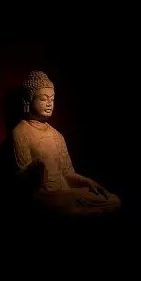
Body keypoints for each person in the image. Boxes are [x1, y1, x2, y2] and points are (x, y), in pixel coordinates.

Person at [12, 70, 121, 217]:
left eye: (52, 99)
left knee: (114, 200)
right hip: (44, 196)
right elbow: (19, 180)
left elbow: (68, 174)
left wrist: (88, 182)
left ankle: (83, 212)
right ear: (28, 101)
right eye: (43, 99)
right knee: (64, 204)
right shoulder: (21, 132)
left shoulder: (57, 135)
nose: (49, 104)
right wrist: (34, 168)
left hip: (65, 192)